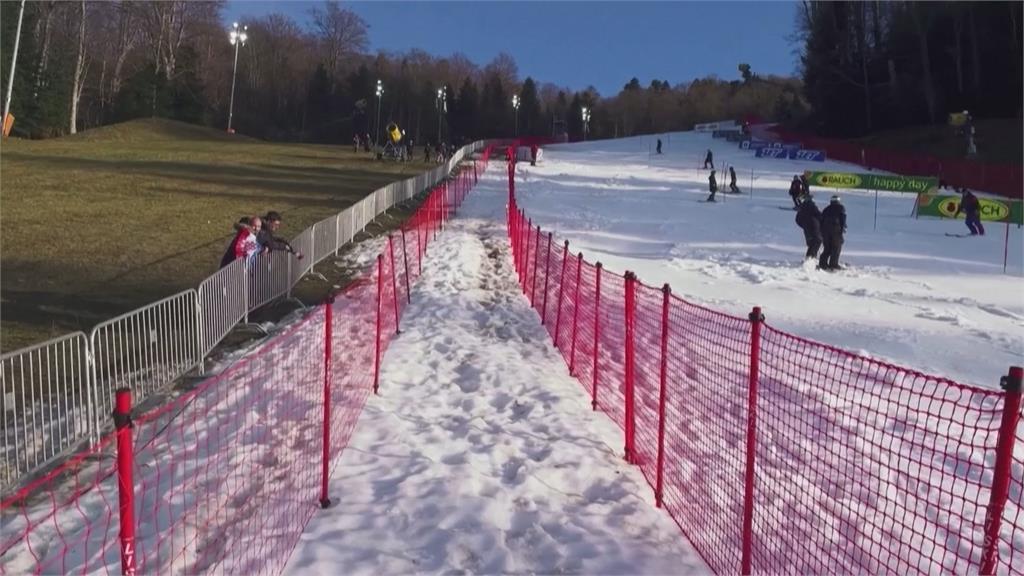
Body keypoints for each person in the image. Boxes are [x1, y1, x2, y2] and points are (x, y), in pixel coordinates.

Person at [818, 196, 847, 271]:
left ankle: (822, 264)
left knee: (827, 247)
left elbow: (821, 220)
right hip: (835, 229)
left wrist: (821, 231)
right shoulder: (840, 208)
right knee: (836, 247)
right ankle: (833, 264)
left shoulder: (826, 209)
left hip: (825, 231)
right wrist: (843, 228)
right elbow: (843, 218)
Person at [795, 195, 822, 260]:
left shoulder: (802, 207)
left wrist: (804, 225)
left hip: (807, 228)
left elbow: (797, 219)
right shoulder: (812, 206)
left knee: (811, 243)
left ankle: (811, 258)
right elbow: (819, 216)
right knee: (817, 241)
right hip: (814, 227)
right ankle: (811, 258)